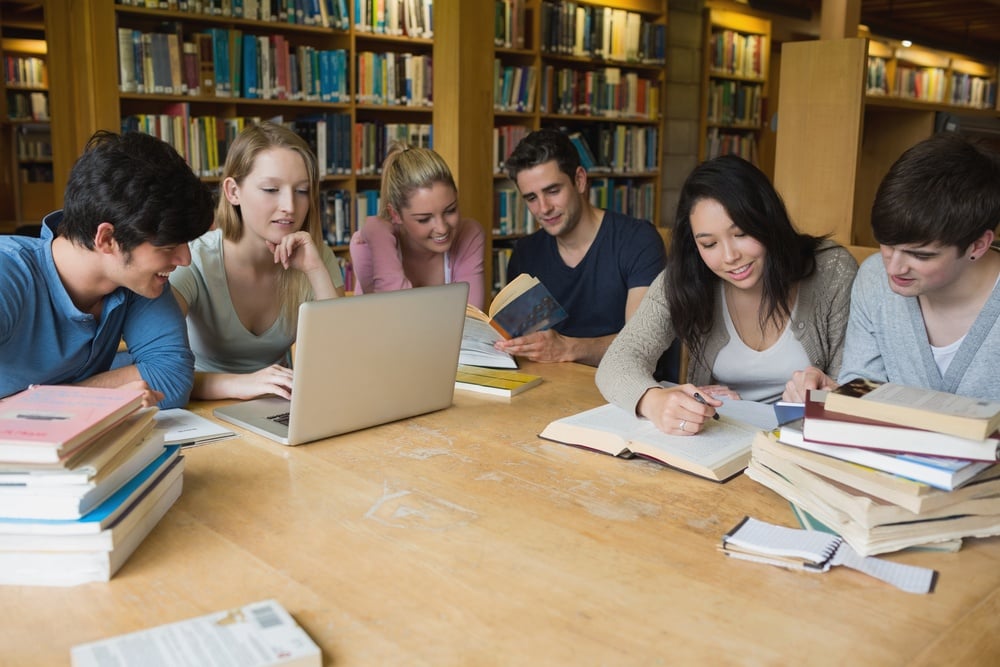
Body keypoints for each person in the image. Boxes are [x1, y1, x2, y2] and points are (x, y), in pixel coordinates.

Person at [596, 154, 858, 436]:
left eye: (742, 233)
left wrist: (831, 392)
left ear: (767, 220)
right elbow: (619, 360)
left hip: (803, 446)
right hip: (720, 439)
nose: (730, 257)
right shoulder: (685, 277)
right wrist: (654, 401)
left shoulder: (832, 272)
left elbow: (861, 387)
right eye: (709, 244)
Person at [0, 130, 215, 408]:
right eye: (167, 245)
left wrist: (57, 404)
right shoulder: (8, 273)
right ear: (107, 239)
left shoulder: (136, 280)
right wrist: (96, 399)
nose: (185, 258)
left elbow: (171, 379)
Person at [785, 132, 1000, 402]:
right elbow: (864, 387)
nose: (894, 268)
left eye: (920, 255)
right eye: (886, 245)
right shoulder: (874, 278)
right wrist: (834, 394)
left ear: (977, 246)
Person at [170, 122, 346, 400]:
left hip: (280, 406)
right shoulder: (193, 261)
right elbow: (160, 374)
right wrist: (240, 385)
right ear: (233, 192)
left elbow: (343, 359)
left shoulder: (316, 256)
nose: (290, 205)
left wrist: (314, 270)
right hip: (199, 409)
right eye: (271, 189)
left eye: (301, 191)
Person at [498, 128, 666, 366]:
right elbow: (529, 346)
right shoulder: (525, 254)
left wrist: (569, 348)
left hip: (625, 389)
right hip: (552, 388)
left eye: (553, 191)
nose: (544, 208)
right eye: (531, 198)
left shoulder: (637, 240)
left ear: (579, 180)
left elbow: (643, 345)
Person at [349, 142, 486, 308]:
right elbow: (392, 318)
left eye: (450, 210)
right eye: (424, 219)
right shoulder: (367, 244)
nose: (442, 228)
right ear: (395, 214)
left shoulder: (470, 234)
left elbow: (471, 323)